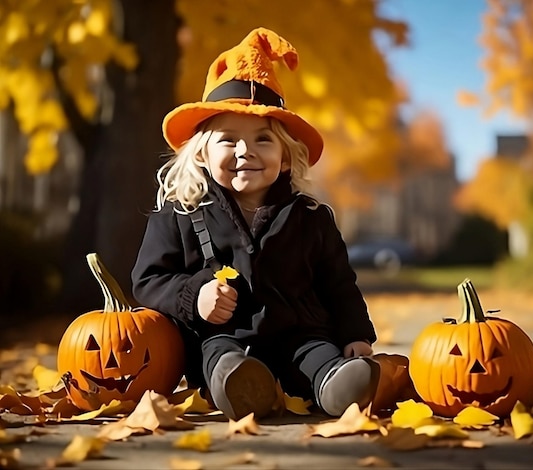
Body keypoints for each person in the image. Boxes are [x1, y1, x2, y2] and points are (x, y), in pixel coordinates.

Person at [131, 27, 379, 421]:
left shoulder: (311, 218)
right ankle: (239, 387)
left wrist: (356, 334)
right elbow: (148, 280)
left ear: (284, 156)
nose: (245, 151)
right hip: (223, 337)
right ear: (202, 156)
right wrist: (195, 296)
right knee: (219, 356)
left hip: (301, 335)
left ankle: (336, 384)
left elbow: (338, 283)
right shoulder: (181, 213)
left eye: (263, 139)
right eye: (228, 140)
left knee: (319, 353)